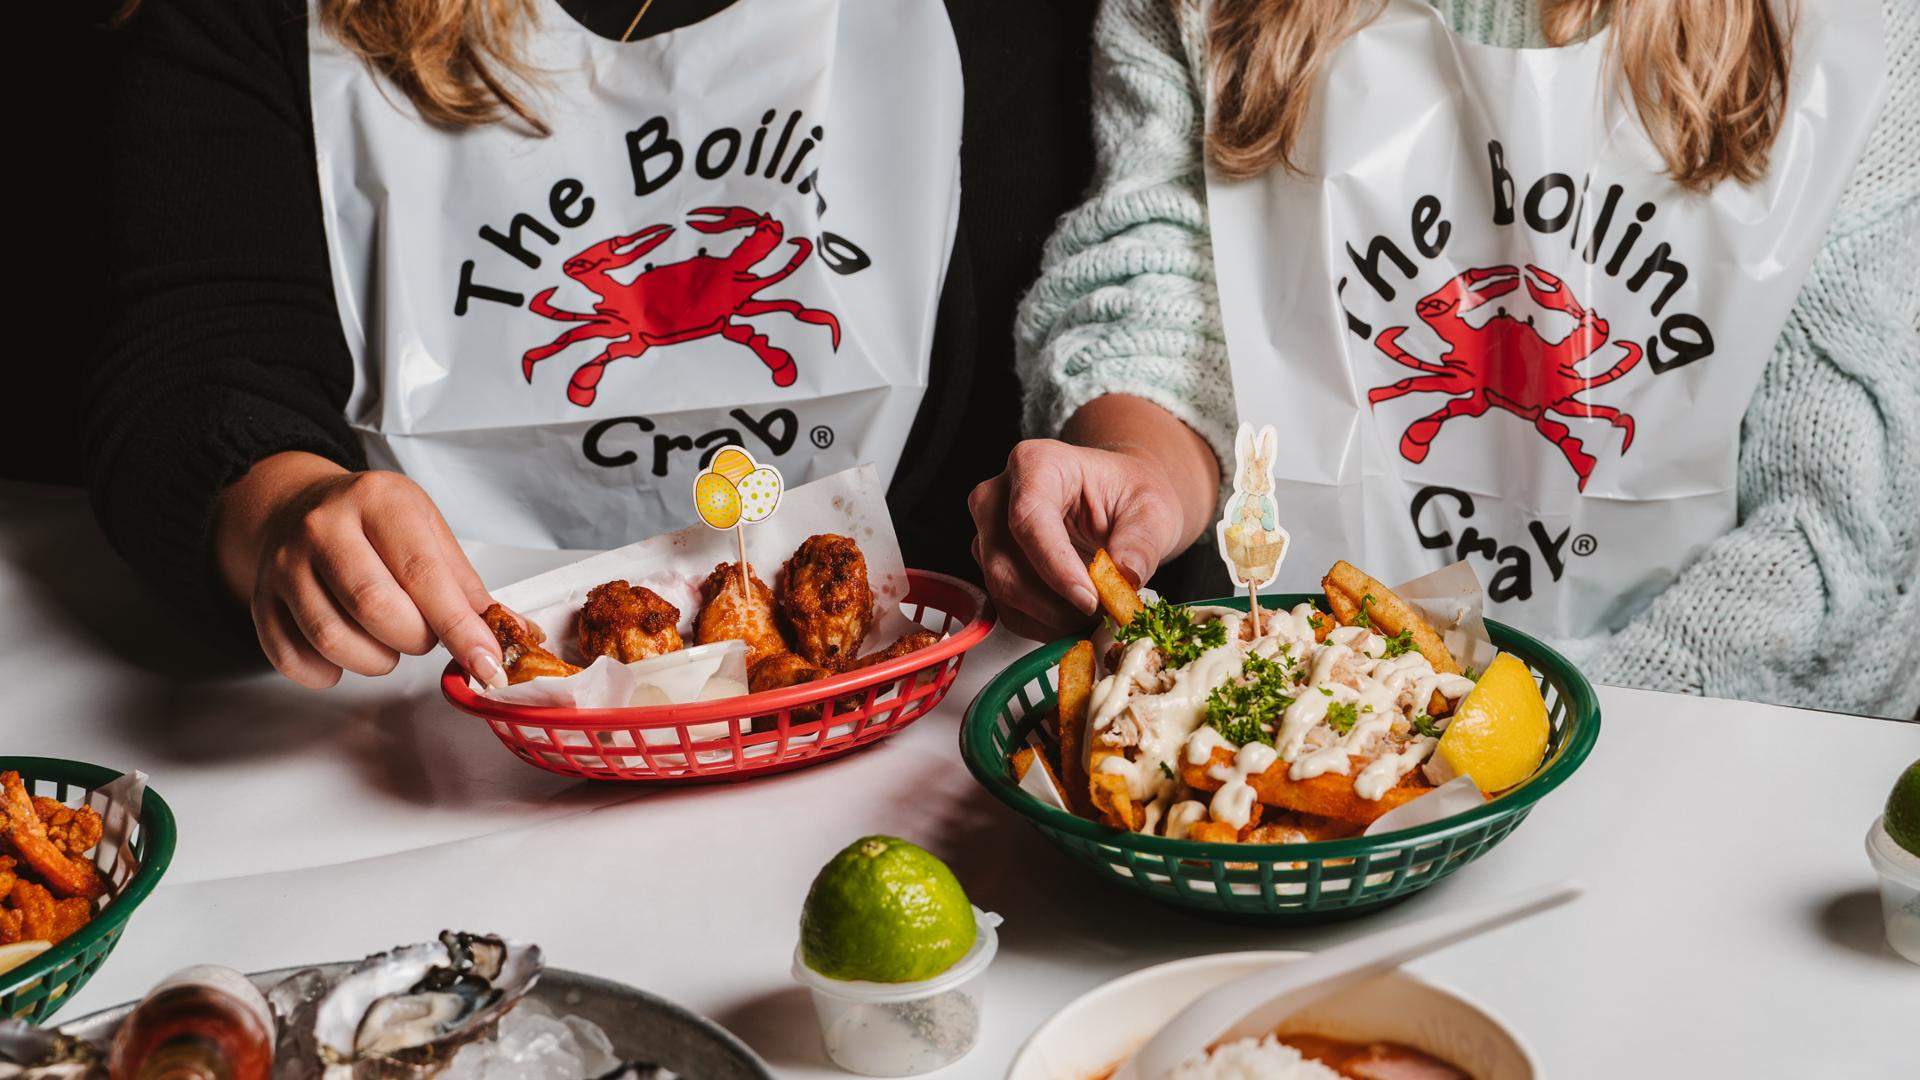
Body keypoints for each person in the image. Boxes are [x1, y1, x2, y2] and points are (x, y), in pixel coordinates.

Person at [88, 0, 1094, 690]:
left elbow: (1092, 310)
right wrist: (283, 513)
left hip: (890, 695)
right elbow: (196, 354)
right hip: (421, 703)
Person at [974, 0, 1920, 715]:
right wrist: (1137, 470)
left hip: (1698, 743)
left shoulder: (1862, 35)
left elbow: (1843, 518)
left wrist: (1523, 733)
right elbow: (1171, 277)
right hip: (1291, 723)